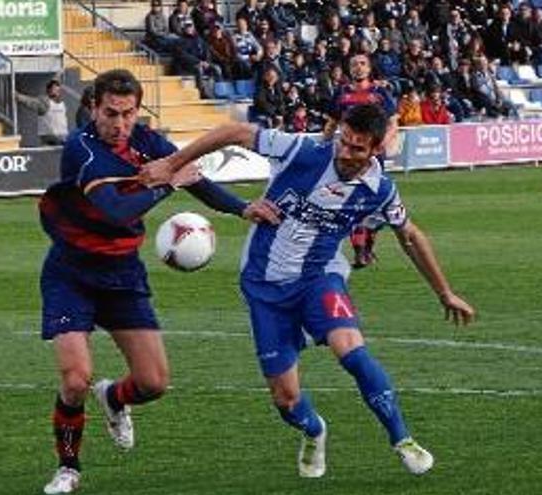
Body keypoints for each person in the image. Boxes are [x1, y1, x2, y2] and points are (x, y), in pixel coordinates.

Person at [139, 103, 476, 478]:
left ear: (376, 149)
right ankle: (314, 429)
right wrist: (173, 164)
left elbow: (410, 235)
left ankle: (402, 439)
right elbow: (234, 133)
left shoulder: (379, 190)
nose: (346, 153)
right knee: (286, 398)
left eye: (358, 148)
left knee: (350, 348)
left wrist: (445, 293)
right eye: (344, 142)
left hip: (319, 277)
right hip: (264, 285)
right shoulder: (304, 151)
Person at [38, 69, 279, 494]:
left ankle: (113, 398)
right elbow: (115, 210)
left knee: (153, 383)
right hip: (71, 273)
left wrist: (242, 209)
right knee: (76, 379)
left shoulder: (147, 141)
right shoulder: (82, 149)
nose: (120, 124)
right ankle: (68, 469)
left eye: (128, 114)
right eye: (111, 113)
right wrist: (167, 180)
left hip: (122, 273)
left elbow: (194, 179)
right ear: (93, 108)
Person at [322, 54, 398, 269]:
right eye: (354, 64)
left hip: (373, 155)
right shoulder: (342, 93)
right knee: (353, 201)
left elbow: (393, 122)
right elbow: (331, 123)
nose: (359, 67)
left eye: (363, 63)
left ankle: (367, 247)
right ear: (349, 69)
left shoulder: (380, 93)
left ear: (369, 68)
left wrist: (384, 142)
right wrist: (322, 147)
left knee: (374, 204)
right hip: (348, 155)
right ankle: (359, 252)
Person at [16, 79, 69, 146]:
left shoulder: (62, 103)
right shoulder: (44, 103)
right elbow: (31, 102)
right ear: (48, 91)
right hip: (50, 140)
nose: (57, 91)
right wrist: (18, 96)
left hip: (63, 138)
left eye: (58, 89)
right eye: (55, 89)